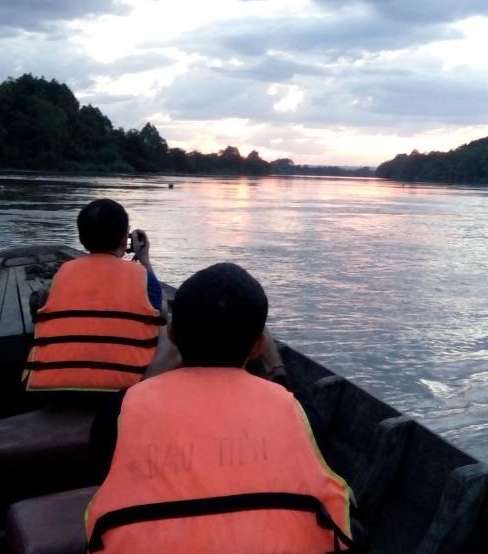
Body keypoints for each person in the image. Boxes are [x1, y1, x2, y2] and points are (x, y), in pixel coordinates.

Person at [85, 263, 355, 553]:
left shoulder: (118, 414)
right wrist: (275, 366)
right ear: (257, 348)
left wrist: (156, 368)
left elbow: (104, 474)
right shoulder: (300, 415)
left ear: (172, 335)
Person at [23, 199, 165, 392]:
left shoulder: (62, 274)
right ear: (124, 239)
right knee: (169, 331)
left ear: (82, 239)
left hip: (53, 390)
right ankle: (142, 392)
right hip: (121, 394)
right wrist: (144, 260)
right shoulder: (142, 277)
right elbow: (162, 312)